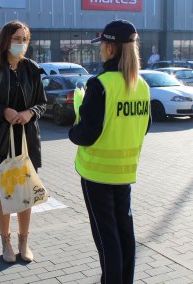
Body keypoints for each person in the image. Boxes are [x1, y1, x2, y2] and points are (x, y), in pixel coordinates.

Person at [69, 20, 151, 284]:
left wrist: (75, 121)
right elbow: (144, 127)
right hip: (125, 173)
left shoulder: (100, 85)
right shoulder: (142, 86)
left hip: (96, 175)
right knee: (125, 233)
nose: (100, 50)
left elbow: (86, 134)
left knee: (107, 238)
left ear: (111, 49)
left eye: (103, 45)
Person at [0, 20, 47, 263]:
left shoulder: (32, 69)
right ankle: (5, 243)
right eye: (17, 39)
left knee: (26, 192)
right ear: (5, 40)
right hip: (0, 139)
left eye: (25, 39)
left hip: (26, 139)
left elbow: (42, 103)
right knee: (2, 193)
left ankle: (23, 241)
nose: (21, 44)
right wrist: (3, 111)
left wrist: (30, 113)